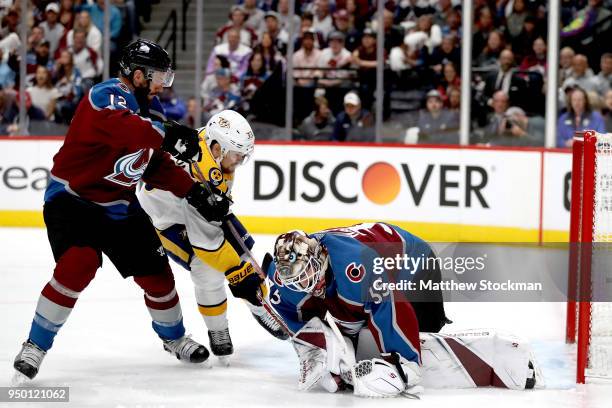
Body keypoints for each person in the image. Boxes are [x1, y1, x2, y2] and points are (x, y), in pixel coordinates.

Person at [12, 39, 231, 382]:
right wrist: (169, 133)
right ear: (139, 75)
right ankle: (35, 346)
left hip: (120, 207)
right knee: (78, 265)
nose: (163, 84)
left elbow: (154, 165)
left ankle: (174, 339)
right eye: (159, 76)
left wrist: (197, 194)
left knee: (158, 278)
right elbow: (123, 125)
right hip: (73, 200)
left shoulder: (151, 116)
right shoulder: (107, 94)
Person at [264, 223, 539, 397]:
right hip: (363, 276)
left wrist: (404, 362)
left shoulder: (355, 266)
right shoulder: (284, 273)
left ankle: (507, 361)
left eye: (308, 274)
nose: (304, 283)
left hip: (415, 264)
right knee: (355, 328)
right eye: (296, 279)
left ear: (320, 256)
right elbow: (289, 314)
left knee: (416, 334)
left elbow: (389, 305)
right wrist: (317, 346)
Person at [137, 109, 286, 364]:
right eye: (237, 154)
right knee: (206, 270)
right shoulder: (201, 173)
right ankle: (218, 330)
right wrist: (237, 274)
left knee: (245, 257)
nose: (239, 161)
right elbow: (207, 244)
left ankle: (260, 307)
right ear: (218, 148)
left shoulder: (209, 146)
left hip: (194, 205)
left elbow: (216, 206)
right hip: (167, 220)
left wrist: (243, 272)